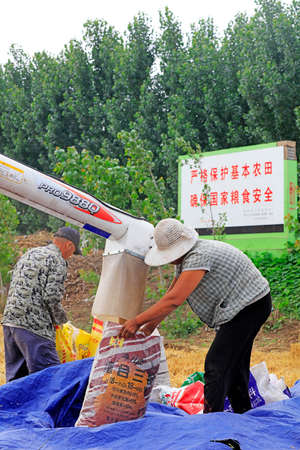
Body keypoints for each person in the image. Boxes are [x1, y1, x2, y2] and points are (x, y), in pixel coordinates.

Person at [120, 218, 272, 414]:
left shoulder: (198, 256)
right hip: (247, 305)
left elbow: (175, 299)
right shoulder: (185, 259)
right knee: (234, 365)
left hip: (250, 305)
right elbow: (171, 294)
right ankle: (242, 415)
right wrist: (151, 324)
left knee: (215, 365)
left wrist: (136, 321)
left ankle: (210, 423)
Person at [2, 226, 81, 382]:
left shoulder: (30, 254)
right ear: (69, 245)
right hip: (34, 328)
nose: (70, 256)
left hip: (10, 323)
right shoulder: (57, 260)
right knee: (49, 379)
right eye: (73, 252)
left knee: (17, 382)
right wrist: (62, 323)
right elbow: (51, 297)